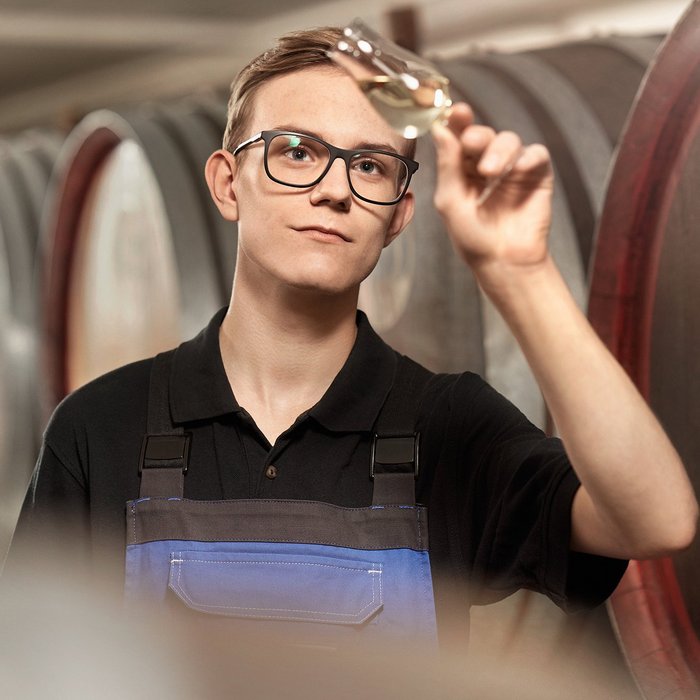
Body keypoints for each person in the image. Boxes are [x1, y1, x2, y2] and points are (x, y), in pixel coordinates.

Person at [4, 27, 697, 653]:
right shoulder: (100, 429)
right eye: (298, 152)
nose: (335, 189)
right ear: (227, 183)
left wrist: (520, 273)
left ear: (399, 216)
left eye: (369, 166)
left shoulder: (448, 428)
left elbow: (655, 521)